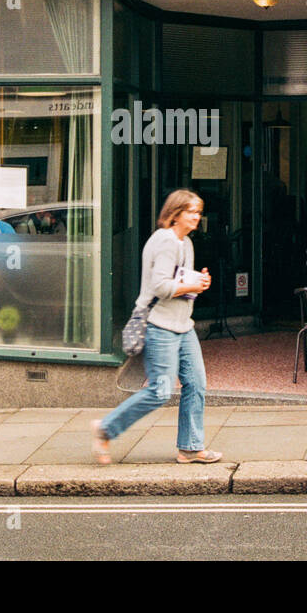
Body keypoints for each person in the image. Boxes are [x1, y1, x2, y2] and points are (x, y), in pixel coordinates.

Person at [92, 190, 221, 465]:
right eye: (191, 212)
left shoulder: (185, 242)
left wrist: (199, 282)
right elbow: (161, 287)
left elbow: (179, 281)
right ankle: (106, 429)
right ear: (175, 214)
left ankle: (190, 448)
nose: (197, 217)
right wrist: (192, 285)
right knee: (160, 391)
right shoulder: (165, 242)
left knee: (196, 383)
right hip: (160, 324)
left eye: (199, 212)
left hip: (182, 325)